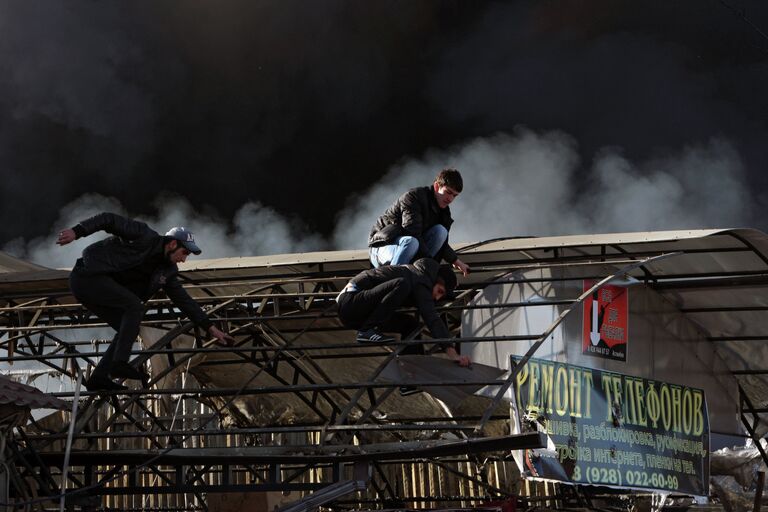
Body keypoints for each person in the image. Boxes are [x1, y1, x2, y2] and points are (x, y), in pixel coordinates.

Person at [57, 212, 234, 392]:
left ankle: (99, 378)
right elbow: (108, 219)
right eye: (184, 252)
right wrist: (77, 231)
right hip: (87, 276)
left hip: (100, 291)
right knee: (134, 307)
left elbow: (184, 301)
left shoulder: (168, 271)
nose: (184, 259)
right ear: (172, 244)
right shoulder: (144, 235)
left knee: (128, 327)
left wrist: (211, 329)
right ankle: (119, 363)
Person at [336, 258, 471, 369]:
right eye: (440, 291)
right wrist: (453, 354)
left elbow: (433, 315)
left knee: (410, 325)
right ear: (435, 280)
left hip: (362, 314)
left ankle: (411, 375)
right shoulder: (420, 279)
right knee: (402, 284)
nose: (437, 298)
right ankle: (367, 330)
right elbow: (432, 318)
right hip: (351, 302)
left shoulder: (420, 278)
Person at [368, 168, 470, 276]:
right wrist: (432, 267)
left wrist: (456, 261)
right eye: (448, 192)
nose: (450, 199)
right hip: (381, 248)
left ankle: (418, 277)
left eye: (454, 195)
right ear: (436, 186)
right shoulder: (413, 197)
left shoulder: (444, 212)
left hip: (409, 250)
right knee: (411, 242)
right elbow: (412, 232)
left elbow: (442, 245)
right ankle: (391, 280)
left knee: (441, 232)